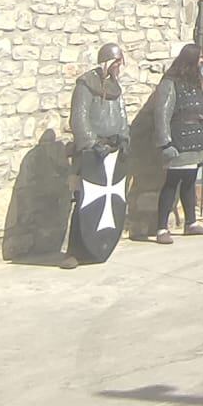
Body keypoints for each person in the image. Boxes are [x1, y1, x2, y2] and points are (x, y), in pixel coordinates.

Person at [66, 43, 131, 266]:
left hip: (111, 152)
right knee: (84, 199)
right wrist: (91, 143)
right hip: (91, 153)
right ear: (106, 62)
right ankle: (74, 251)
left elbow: (122, 116)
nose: (117, 67)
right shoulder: (86, 84)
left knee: (107, 199)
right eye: (115, 63)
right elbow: (79, 118)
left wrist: (123, 136)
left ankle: (97, 247)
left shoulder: (115, 87)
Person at [152, 45, 203, 245]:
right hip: (178, 140)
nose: (201, 61)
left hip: (197, 139)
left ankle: (191, 223)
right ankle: (162, 228)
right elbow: (161, 114)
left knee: (189, 183)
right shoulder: (170, 83)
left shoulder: (199, 82)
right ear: (190, 59)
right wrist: (165, 142)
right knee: (171, 184)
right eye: (199, 57)